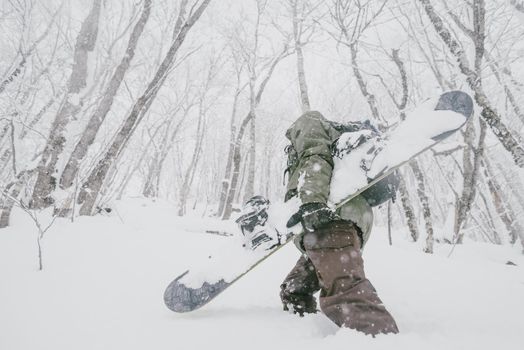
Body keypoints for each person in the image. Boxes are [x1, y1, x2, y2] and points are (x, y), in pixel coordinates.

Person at [280, 110, 399, 336]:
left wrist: (312, 201)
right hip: (339, 224)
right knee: (295, 289)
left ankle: (380, 339)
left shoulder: (309, 122)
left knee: (348, 295)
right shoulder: (336, 138)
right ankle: (300, 319)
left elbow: (315, 157)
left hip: (328, 219)